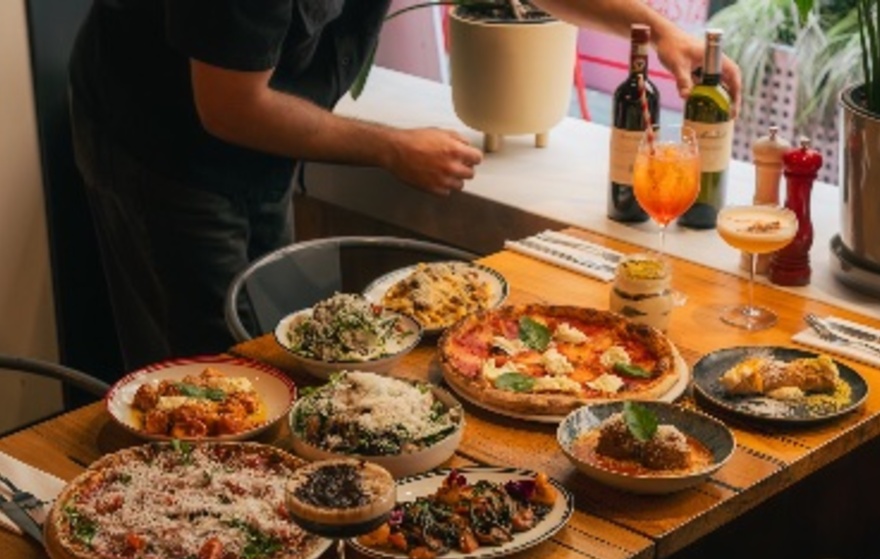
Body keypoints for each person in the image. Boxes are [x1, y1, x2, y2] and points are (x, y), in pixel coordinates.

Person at [69, 0, 741, 372]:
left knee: (266, 358)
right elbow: (229, 107)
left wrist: (661, 34)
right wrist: (391, 148)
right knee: (207, 379)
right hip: (161, 150)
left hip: (252, 150)